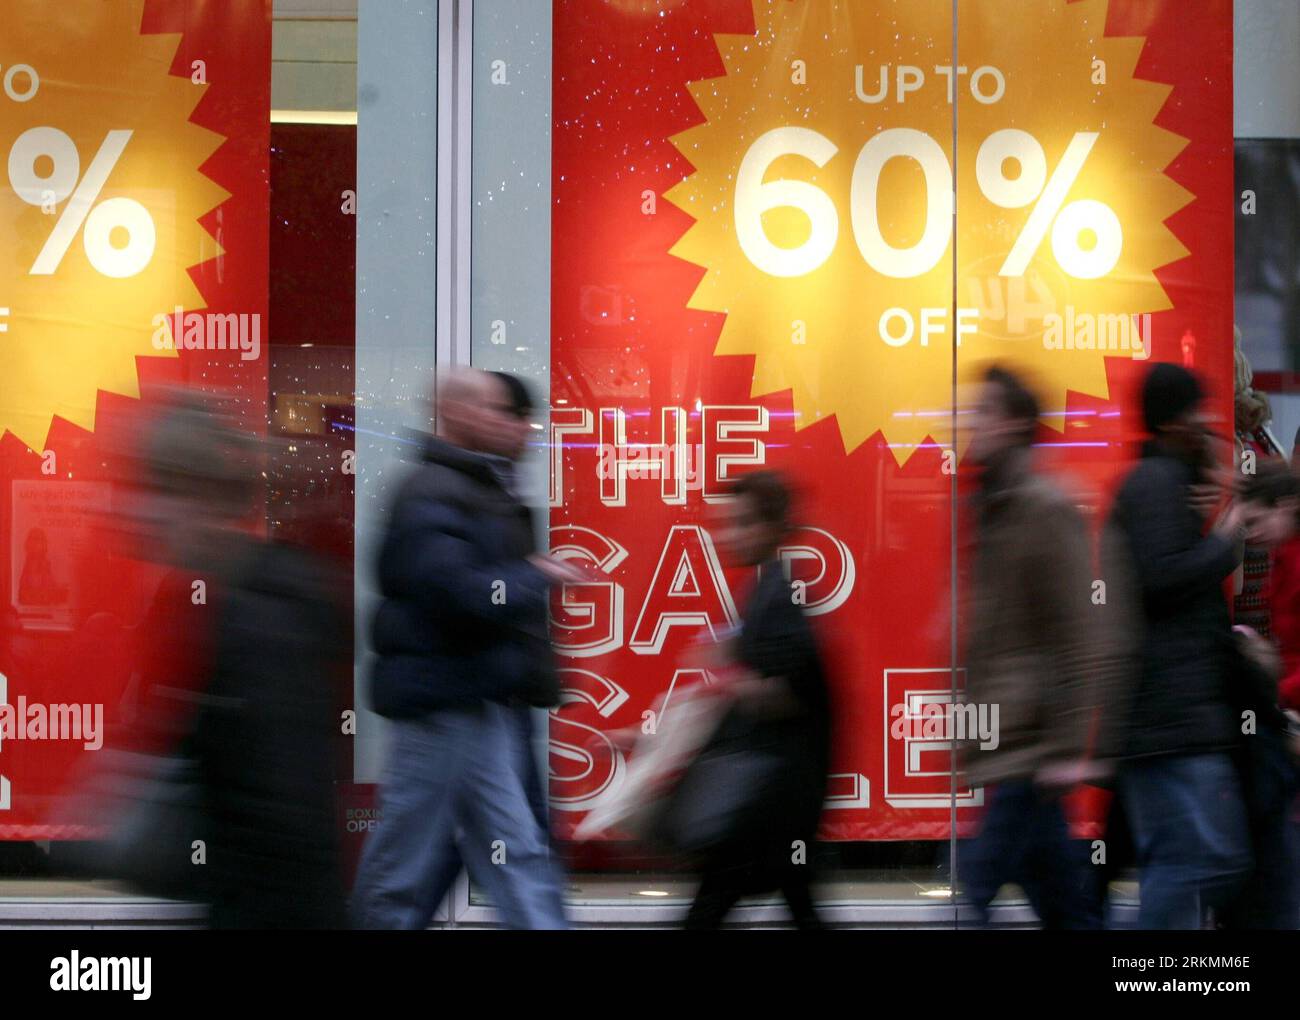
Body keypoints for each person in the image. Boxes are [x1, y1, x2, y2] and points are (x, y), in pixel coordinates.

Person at [351, 368, 582, 930]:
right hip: (444, 704)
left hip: (474, 699)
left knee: (514, 851)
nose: (511, 424)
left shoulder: (475, 488)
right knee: (408, 863)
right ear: (454, 414)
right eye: (495, 410)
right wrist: (535, 574)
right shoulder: (432, 491)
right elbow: (458, 593)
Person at [958, 365, 1106, 929]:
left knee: (971, 898)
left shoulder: (1044, 508)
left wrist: (1069, 745)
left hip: (1031, 748)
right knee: (1064, 907)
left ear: (1017, 423)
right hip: (1008, 744)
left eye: (986, 411)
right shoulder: (993, 508)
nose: (974, 422)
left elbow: (1076, 631)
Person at [1108, 361, 1253, 929]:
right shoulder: (1154, 484)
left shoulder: (1169, 483)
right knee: (1199, 861)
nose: (1207, 423)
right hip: (1172, 723)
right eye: (1197, 412)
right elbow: (1162, 580)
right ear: (1172, 420)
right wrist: (1226, 536)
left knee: (1193, 860)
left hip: (1179, 719)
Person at [666, 470, 832, 929]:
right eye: (727, 523)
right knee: (800, 906)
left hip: (768, 798)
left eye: (741, 523)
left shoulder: (779, 596)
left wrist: (727, 679)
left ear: (772, 527)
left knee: (707, 912)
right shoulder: (765, 589)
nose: (728, 535)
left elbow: (788, 692)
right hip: (773, 798)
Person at [1226, 459, 1300, 928]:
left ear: (1287, 506)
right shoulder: (1283, 556)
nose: (1252, 534)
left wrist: (1279, 692)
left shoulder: (1294, 560)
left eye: (1257, 521)